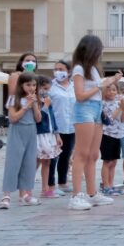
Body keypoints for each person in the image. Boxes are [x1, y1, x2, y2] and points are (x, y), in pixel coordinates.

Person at [71, 35, 122, 211]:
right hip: (84, 109)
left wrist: (109, 83)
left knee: (93, 154)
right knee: (81, 154)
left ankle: (92, 193)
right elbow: (79, 95)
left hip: (96, 108)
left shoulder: (93, 69)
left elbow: (96, 91)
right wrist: (100, 86)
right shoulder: (78, 69)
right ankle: (76, 195)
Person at [0, 72, 41, 208]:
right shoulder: (13, 99)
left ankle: (25, 194)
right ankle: (6, 195)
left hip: (31, 131)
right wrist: (26, 106)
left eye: (34, 85)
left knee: (29, 163)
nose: (31, 87)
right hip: (17, 131)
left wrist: (34, 104)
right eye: (28, 84)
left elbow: (38, 119)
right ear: (21, 85)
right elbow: (13, 118)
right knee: (13, 162)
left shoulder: (35, 99)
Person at [48, 60, 76, 195]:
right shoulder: (51, 87)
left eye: (61, 69)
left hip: (71, 127)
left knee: (66, 155)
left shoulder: (74, 86)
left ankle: (63, 182)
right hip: (55, 127)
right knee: (53, 156)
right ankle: (50, 185)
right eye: (56, 69)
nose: (58, 71)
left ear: (69, 71)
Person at [99, 82, 124, 194]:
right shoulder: (101, 104)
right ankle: (105, 186)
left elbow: (122, 119)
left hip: (118, 134)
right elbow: (108, 120)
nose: (111, 92)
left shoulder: (118, 102)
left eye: (113, 90)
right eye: (108, 90)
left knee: (113, 162)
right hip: (106, 134)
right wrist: (120, 108)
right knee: (107, 162)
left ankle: (111, 185)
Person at [35, 76, 62, 199]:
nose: (47, 91)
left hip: (50, 133)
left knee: (48, 161)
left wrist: (57, 134)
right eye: (45, 88)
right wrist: (45, 106)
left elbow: (53, 117)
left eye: (48, 89)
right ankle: (26, 188)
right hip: (40, 134)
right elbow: (38, 119)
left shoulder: (47, 99)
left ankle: (45, 188)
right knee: (36, 162)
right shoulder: (35, 101)